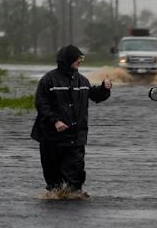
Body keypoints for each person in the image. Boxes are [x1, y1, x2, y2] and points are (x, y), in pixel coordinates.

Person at [31, 45, 112, 194]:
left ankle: (73, 200)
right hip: (52, 137)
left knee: (74, 180)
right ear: (67, 59)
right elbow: (42, 105)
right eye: (78, 58)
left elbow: (96, 96)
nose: (80, 61)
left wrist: (104, 89)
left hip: (76, 137)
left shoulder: (82, 81)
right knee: (54, 182)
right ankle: (55, 200)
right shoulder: (48, 80)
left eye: (82, 58)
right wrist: (55, 121)